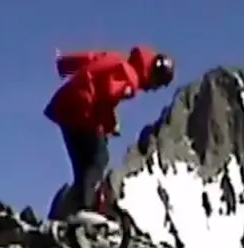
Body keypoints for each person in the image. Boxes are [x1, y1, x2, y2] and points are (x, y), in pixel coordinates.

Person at [44, 45, 175, 218]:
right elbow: (106, 97)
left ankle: (64, 217)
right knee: (100, 158)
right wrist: (110, 124)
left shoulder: (116, 59)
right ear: (154, 74)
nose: (155, 89)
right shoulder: (130, 79)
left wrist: (64, 65)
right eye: (159, 83)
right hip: (81, 111)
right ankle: (84, 209)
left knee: (83, 168)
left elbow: (89, 57)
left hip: (65, 105)